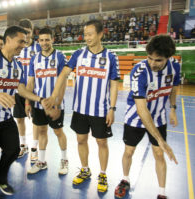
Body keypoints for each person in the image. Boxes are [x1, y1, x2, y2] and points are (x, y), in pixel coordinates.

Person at [0, 25, 49, 199]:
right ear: (8, 40)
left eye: (25, 42)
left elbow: (20, 88)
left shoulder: (19, 65)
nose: (24, 45)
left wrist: (40, 99)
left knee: (13, 150)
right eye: (21, 41)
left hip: (5, 117)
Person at [43, 19, 120, 192]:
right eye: (85, 34)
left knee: (101, 142)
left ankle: (102, 174)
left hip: (100, 110)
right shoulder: (79, 54)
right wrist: (54, 97)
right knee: (80, 139)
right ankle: (85, 170)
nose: (87, 38)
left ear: (101, 34)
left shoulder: (111, 57)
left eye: (90, 34)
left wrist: (112, 108)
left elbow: (114, 84)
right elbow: (63, 74)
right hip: (80, 108)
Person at [114, 35, 179, 199]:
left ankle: (162, 193)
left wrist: (172, 108)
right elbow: (142, 111)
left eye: (158, 60)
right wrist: (161, 140)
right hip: (135, 117)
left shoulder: (175, 67)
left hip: (158, 117)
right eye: (150, 58)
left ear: (168, 58)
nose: (152, 63)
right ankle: (125, 179)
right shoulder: (139, 71)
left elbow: (174, 87)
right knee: (129, 151)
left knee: (159, 154)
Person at [25, 28, 69, 175]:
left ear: (52, 40)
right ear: (38, 41)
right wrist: (27, 102)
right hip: (38, 104)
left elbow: (63, 82)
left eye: (47, 39)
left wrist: (57, 104)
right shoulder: (34, 58)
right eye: (42, 40)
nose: (44, 43)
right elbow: (30, 83)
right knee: (42, 131)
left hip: (55, 104)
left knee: (58, 132)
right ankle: (42, 161)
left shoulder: (60, 56)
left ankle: (64, 160)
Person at [15, 19, 41, 161]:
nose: (26, 34)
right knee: (19, 119)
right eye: (23, 32)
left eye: (28, 32)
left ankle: (35, 148)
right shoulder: (17, 48)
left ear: (32, 31)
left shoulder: (38, 48)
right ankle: (23, 145)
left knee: (36, 121)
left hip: (35, 91)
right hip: (19, 89)